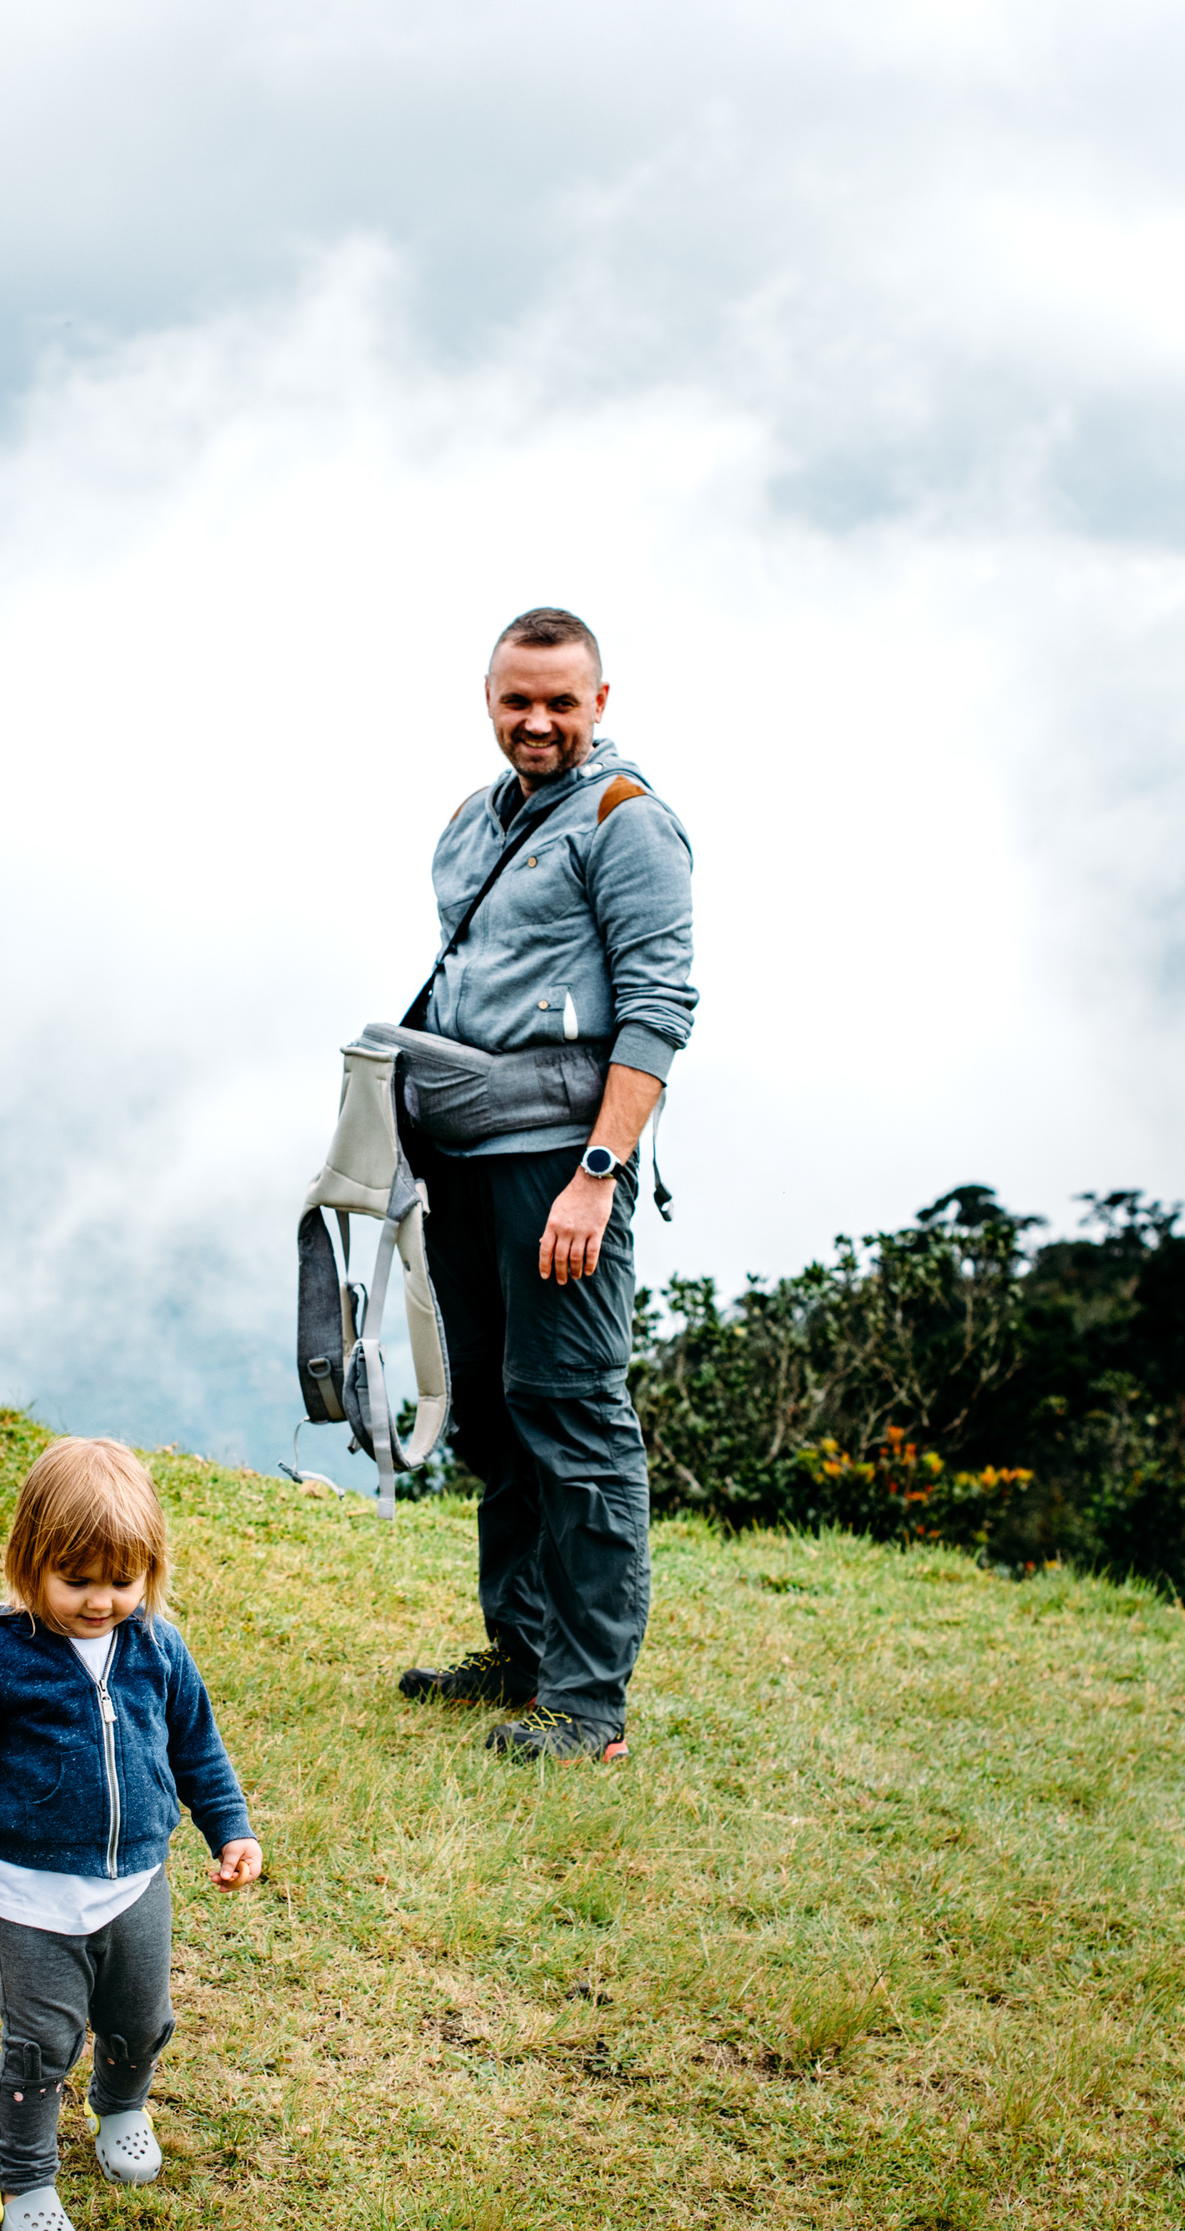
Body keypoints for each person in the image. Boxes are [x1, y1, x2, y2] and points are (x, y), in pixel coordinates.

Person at [399, 607, 696, 1761]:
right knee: (495, 1408)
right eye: (517, 700)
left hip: (560, 1166)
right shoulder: (476, 822)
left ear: (600, 704)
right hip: (464, 1160)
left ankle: (587, 1704)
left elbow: (659, 1010)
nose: (537, 721)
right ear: (487, 697)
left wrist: (598, 1177)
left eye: (561, 702)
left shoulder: (630, 827)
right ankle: (518, 1653)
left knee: (572, 1414)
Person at [0, 1437, 262, 2231]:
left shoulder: (158, 1648)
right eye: (77, 1581)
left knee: (142, 2020)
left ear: (150, 1572)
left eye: (122, 1581)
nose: (101, 1602)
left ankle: (120, 2104)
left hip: (138, 1882)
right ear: (29, 1564)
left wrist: (230, 1827)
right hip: (34, 1899)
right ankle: (23, 2181)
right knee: (40, 2047)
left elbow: (197, 1749)